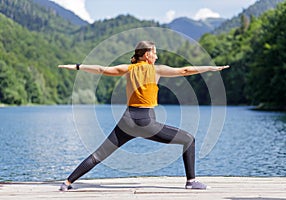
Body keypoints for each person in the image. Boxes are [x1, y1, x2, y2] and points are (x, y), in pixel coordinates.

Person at [58, 41, 229, 191]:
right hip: (146, 122)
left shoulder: (128, 68)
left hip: (126, 121)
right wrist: (210, 68)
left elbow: (102, 69)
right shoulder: (156, 70)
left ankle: (67, 182)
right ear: (147, 55)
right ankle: (191, 182)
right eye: (154, 53)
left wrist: (78, 66)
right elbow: (184, 70)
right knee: (189, 139)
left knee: (99, 155)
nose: (157, 56)